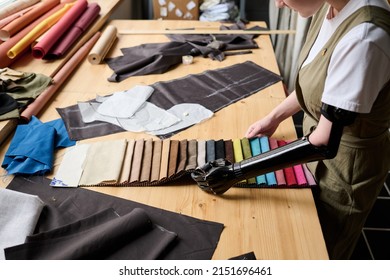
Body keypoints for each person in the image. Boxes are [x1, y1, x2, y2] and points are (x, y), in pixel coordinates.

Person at [245, 0, 390, 259]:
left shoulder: (364, 38)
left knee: (319, 250)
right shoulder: (330, 5)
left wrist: (237, 172)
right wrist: (274, 117)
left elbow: (323, 141)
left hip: (345, 168)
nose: (278, 4)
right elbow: (319, 85)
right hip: (317, 148)